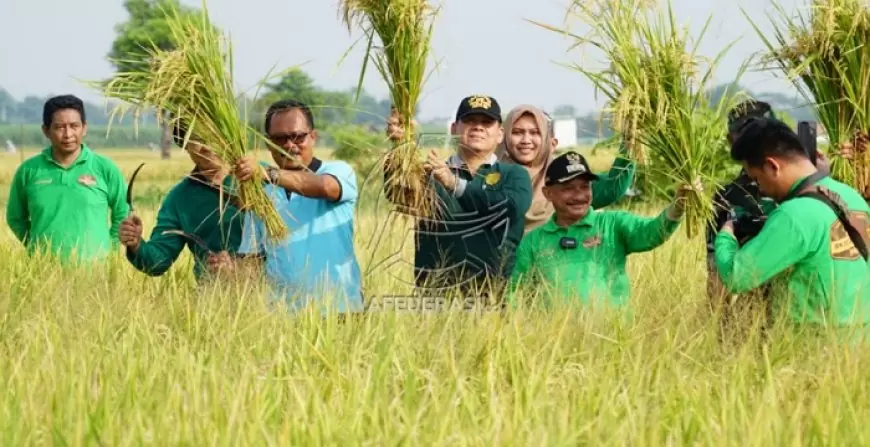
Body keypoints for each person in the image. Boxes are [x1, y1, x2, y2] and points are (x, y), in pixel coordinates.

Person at [714, 118, 870, 331]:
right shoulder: (851, 196)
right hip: (860, 338)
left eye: (757, 179)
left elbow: (736, 277)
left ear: (772, 166)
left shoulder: (793, 215)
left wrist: (726, 236)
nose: (760, 189)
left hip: (812, 341)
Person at [218, 99, 364, 314]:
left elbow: (326, 188)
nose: (289, 145)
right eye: (280, 139)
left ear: (313, 136)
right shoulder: (260, 194)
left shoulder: (338, 171)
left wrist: (268, 173)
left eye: (297, 136)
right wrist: (230, 271)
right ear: (269, 143)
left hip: (340, 311)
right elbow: (252, 261)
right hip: (282, 317)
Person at [385, 95, 533, 299]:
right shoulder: (429, 174)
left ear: (500, 134)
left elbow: (511, 207)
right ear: (454, 129)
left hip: (497, 298)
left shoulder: (513, 175)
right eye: (470, 121)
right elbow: (398, 194)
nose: (478, 127)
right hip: (437, 297)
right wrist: (399, 145)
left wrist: (453, 183)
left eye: (486, 122)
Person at [508, 151, 690, 309]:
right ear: (548, 193)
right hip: (556, 337)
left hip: (612, 334)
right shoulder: (533, 242)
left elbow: (652, 233)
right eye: (568, 188)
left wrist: (678, 207)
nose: (579, 195)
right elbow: (514, 296)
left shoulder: (613, 225)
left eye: (585, 187)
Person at [706, 100, 831, 325]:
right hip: (752, 308)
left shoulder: (808, 187)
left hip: (804, 310)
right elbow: (717, 268)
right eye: (746, 132)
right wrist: (719, 325)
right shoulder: (727, 197)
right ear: (731, 141)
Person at [6, 95, 129, 262]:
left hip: (96, 271)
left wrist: (109, 247)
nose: (68, 134)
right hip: (44, 271)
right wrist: (36, 246)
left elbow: (123, 212)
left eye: (74, 126)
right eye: (59, 127)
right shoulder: (28, 171)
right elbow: (15, 218)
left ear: (84, 128)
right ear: (46, 131)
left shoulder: (105, 169)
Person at [118, 121, 245, 280]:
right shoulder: (180, 198)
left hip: (270, 288)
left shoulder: (260, 177)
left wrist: (243, 267)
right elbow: (159, 259)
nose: (207, 147)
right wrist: (136, 245)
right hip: (214, 290)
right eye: (198, 139)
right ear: (185, 144)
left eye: (214, 136)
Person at [495, 104, 636, 233]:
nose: (526, 140)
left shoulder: (564, 176)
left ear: (547, 140)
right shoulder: (491, 177)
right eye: (517, 132)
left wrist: (632, 137)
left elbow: (613, 185)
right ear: (505, 136)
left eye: (535, 133)